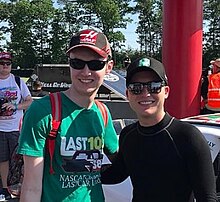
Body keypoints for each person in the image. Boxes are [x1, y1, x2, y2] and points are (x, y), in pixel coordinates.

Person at [17, 29, 118, 202]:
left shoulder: (103, 113)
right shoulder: (42, 112)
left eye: (95, 64)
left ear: (109, 67)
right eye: (78, 63)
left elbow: (123, 161)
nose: (86, 72)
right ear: (69, 64)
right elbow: (31, 187)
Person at [101, 56, 217, 202]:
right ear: (127, 94)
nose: (145, 93)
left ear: (166, 91)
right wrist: (76, 170)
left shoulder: (188, 136)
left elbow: (207, 197)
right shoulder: (128, 134)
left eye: (154, 86)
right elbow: (117, 174)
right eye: (136, 88)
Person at [0, 52, 32, 200]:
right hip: (0, 129)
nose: (5, 66)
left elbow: (29, 101)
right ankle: (6, 189)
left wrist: (14, 105)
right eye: (2, 63)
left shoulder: (18, 81)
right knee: (3, 159)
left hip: (16, 128)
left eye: (8, 64)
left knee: (18, 160)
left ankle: (19, 186)